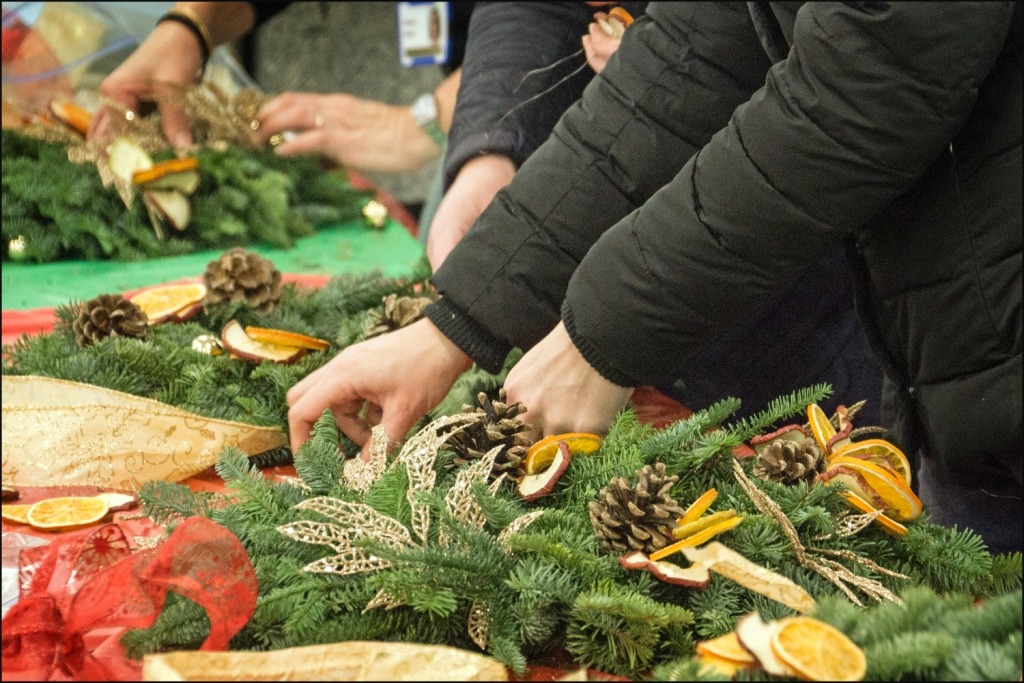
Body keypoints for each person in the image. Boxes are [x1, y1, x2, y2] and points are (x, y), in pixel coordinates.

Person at [288, 2, 1021, 554]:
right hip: (960, 379)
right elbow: (696, 50)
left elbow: (863, 91)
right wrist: (461, 320)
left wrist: (598, 337)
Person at [89, 2, 473, 218]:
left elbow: (525, 20)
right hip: (289, 140)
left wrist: (425, 120)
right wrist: (191, 24)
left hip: (466, 141)